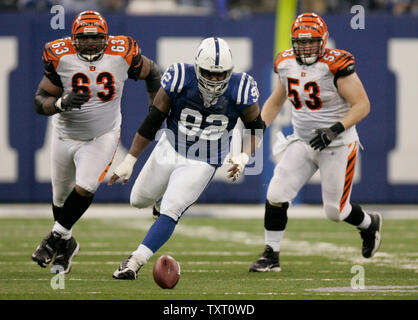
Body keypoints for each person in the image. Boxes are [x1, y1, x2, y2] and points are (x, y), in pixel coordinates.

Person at [108, 37, 265, 280]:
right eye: (208, 73)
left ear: (230, 71)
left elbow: (256, 126)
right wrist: (130, 159)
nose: (214, 80)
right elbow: (154, 118)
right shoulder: (181, 76)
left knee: (172, 209)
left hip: (204, 160)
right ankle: (159, 200)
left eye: (220, 74)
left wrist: (244, 155)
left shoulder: (241, 87)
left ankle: (135, 260)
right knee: (138, 201)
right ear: (197, 67)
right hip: (169, 147)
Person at [249, 13, 383, 272]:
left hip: (338, 144)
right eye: (300, 43)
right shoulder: (286, 62)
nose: (306, 47)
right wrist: (258, 130)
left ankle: (369, 223)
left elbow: (362, 104)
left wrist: (334, 130)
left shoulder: (335, 64)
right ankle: (271, 255)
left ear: (322, 42)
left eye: (311, 42)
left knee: (336, 211)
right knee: (276, 193)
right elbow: (276, 101)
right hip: (303, 140)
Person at [31, 10, 161, 274]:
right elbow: (39, 99)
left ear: (106, 37)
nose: (90, 43)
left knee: (87, 185)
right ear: (73, 38)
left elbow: (153, 72)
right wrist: (59, 103)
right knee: (60, 197)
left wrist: (154, 108)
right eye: (84, 38)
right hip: (63, 134)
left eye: (96, 38)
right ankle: (67, 245)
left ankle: (53, 240)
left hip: (102, 134)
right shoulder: (59, 55)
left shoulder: (122, 51)